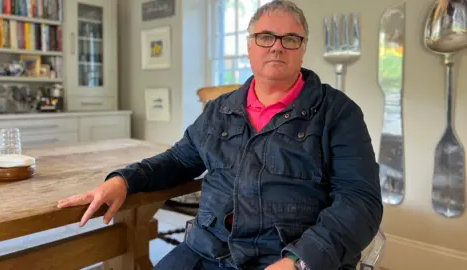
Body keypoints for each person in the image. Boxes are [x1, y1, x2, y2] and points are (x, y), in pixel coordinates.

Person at [57, 1, 383, 269]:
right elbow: (178, 160)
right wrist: (124, 180)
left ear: (302, 49)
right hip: (207, 248)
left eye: (290, 39)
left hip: (286, 254)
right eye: (265, 37)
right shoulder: (219, 109)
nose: (277, 47)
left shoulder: (338, 112)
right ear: (250, 46)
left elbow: (360, 202)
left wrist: (301, 260)